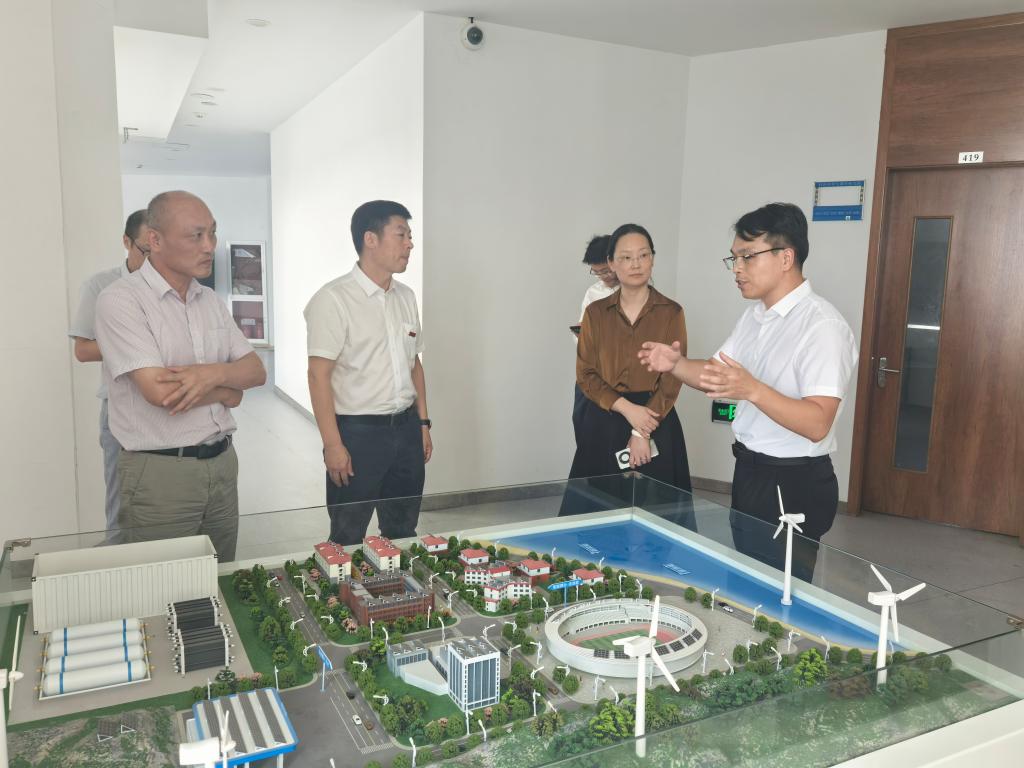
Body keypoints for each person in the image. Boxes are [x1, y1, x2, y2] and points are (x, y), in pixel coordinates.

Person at [639, 203, 857, 581]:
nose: (737, 269)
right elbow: (717, 375)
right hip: (751, 472)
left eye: (747, 257)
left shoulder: (822, 326)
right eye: (734, 258)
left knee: (780, 590)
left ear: (785, 257)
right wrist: (676, 364)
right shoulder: (755, 317)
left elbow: (818, 422)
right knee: (746, 580)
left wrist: (754, 390)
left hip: (793, 481)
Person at [95, 191, 266, 560]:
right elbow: (161, 392)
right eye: (196, 235)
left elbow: (255, 370)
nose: (209, 246)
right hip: (160, 473)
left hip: (222, 464)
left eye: (212, 234)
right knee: (163, 584)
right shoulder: (121, 300)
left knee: (220, 574)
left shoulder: (210, 301)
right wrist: (228, 391)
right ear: (154, 240)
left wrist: (211, 374)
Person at [305, 200, 432, 545]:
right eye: (401, 235)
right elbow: (318, 376)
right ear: (370, 239)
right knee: (347, 536)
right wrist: (332, 444)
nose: (410, 244)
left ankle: (399, 581)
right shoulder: (333, 299)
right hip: (358, 435)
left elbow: (414, 364)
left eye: (410, 236)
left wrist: (422, 424)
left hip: (406, 430)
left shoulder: (405, 296)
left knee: (403, 531)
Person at [563, 223, 691, 515]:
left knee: (657, 514)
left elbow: (673, 377)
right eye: (626, 257)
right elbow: (586, 374)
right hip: (605, 416)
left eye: (643, 255)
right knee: (597, 513)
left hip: (655, 417)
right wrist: (629, 410)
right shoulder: (595, 313)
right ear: (611, 263)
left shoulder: (672, 312)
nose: (636, 264)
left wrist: (641, 432)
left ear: (652, 259)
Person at [68, 210, 150, 533]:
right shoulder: (100, 285)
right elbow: (83, 350)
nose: (154, 260)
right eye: (146, 250)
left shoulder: (175, 284)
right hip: (119, 407)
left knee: (163, 505)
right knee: (121, 507)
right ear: (126, 242)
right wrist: (135, 342)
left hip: (168, 407)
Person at [572, 234, 617, 447]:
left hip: (620, 376)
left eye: (606, 271)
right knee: (584, 427)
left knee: (614, 436)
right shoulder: (593, 292)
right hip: (592, 371)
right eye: (597, 272)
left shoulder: (634, 292)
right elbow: (581, 336)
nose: (603, 277)